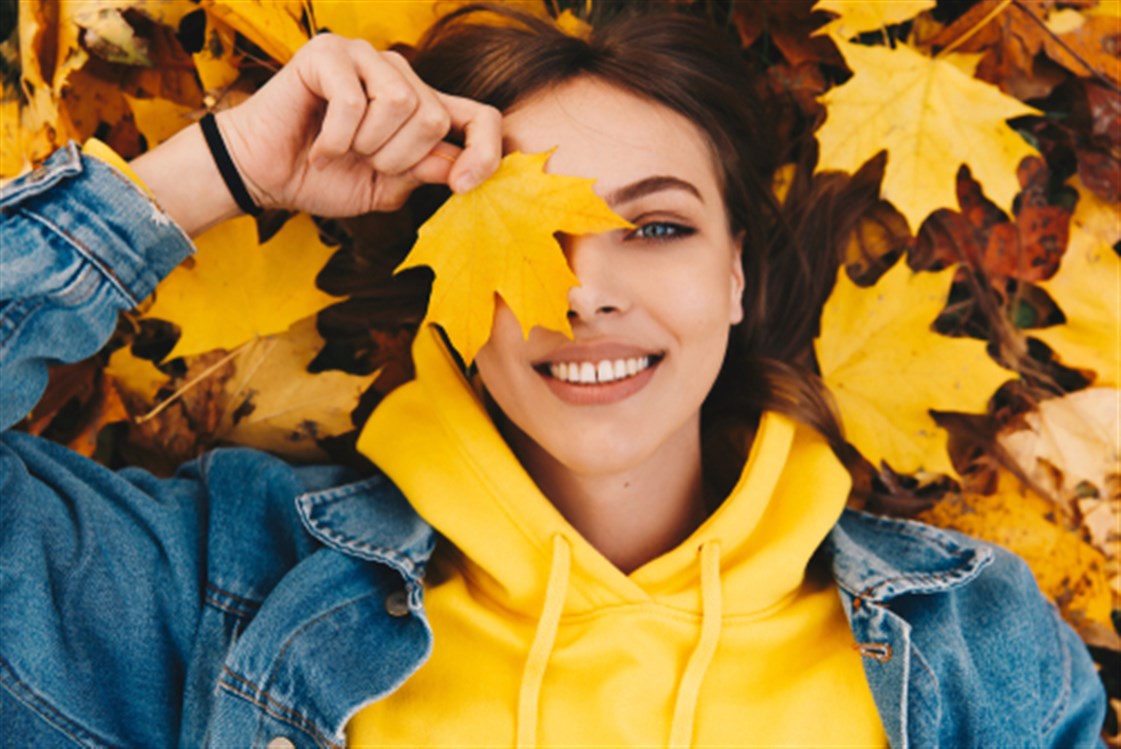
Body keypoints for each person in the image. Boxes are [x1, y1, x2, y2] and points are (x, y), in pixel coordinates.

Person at [0, 4, 1105, 747]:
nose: (582, 291)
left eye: (657, 226)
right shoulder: (223, 588)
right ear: (444, 284)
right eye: (516, 229)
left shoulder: (971, 642)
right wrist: (216, 170)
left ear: (735, 272)